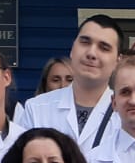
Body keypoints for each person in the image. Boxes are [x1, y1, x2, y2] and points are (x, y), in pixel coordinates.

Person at [17, 15, 124, 149]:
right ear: (73, 49)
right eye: (85, 42)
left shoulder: (126, 114)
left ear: (118, 61)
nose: (91, 53)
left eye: (104, 48)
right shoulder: (36, 109)